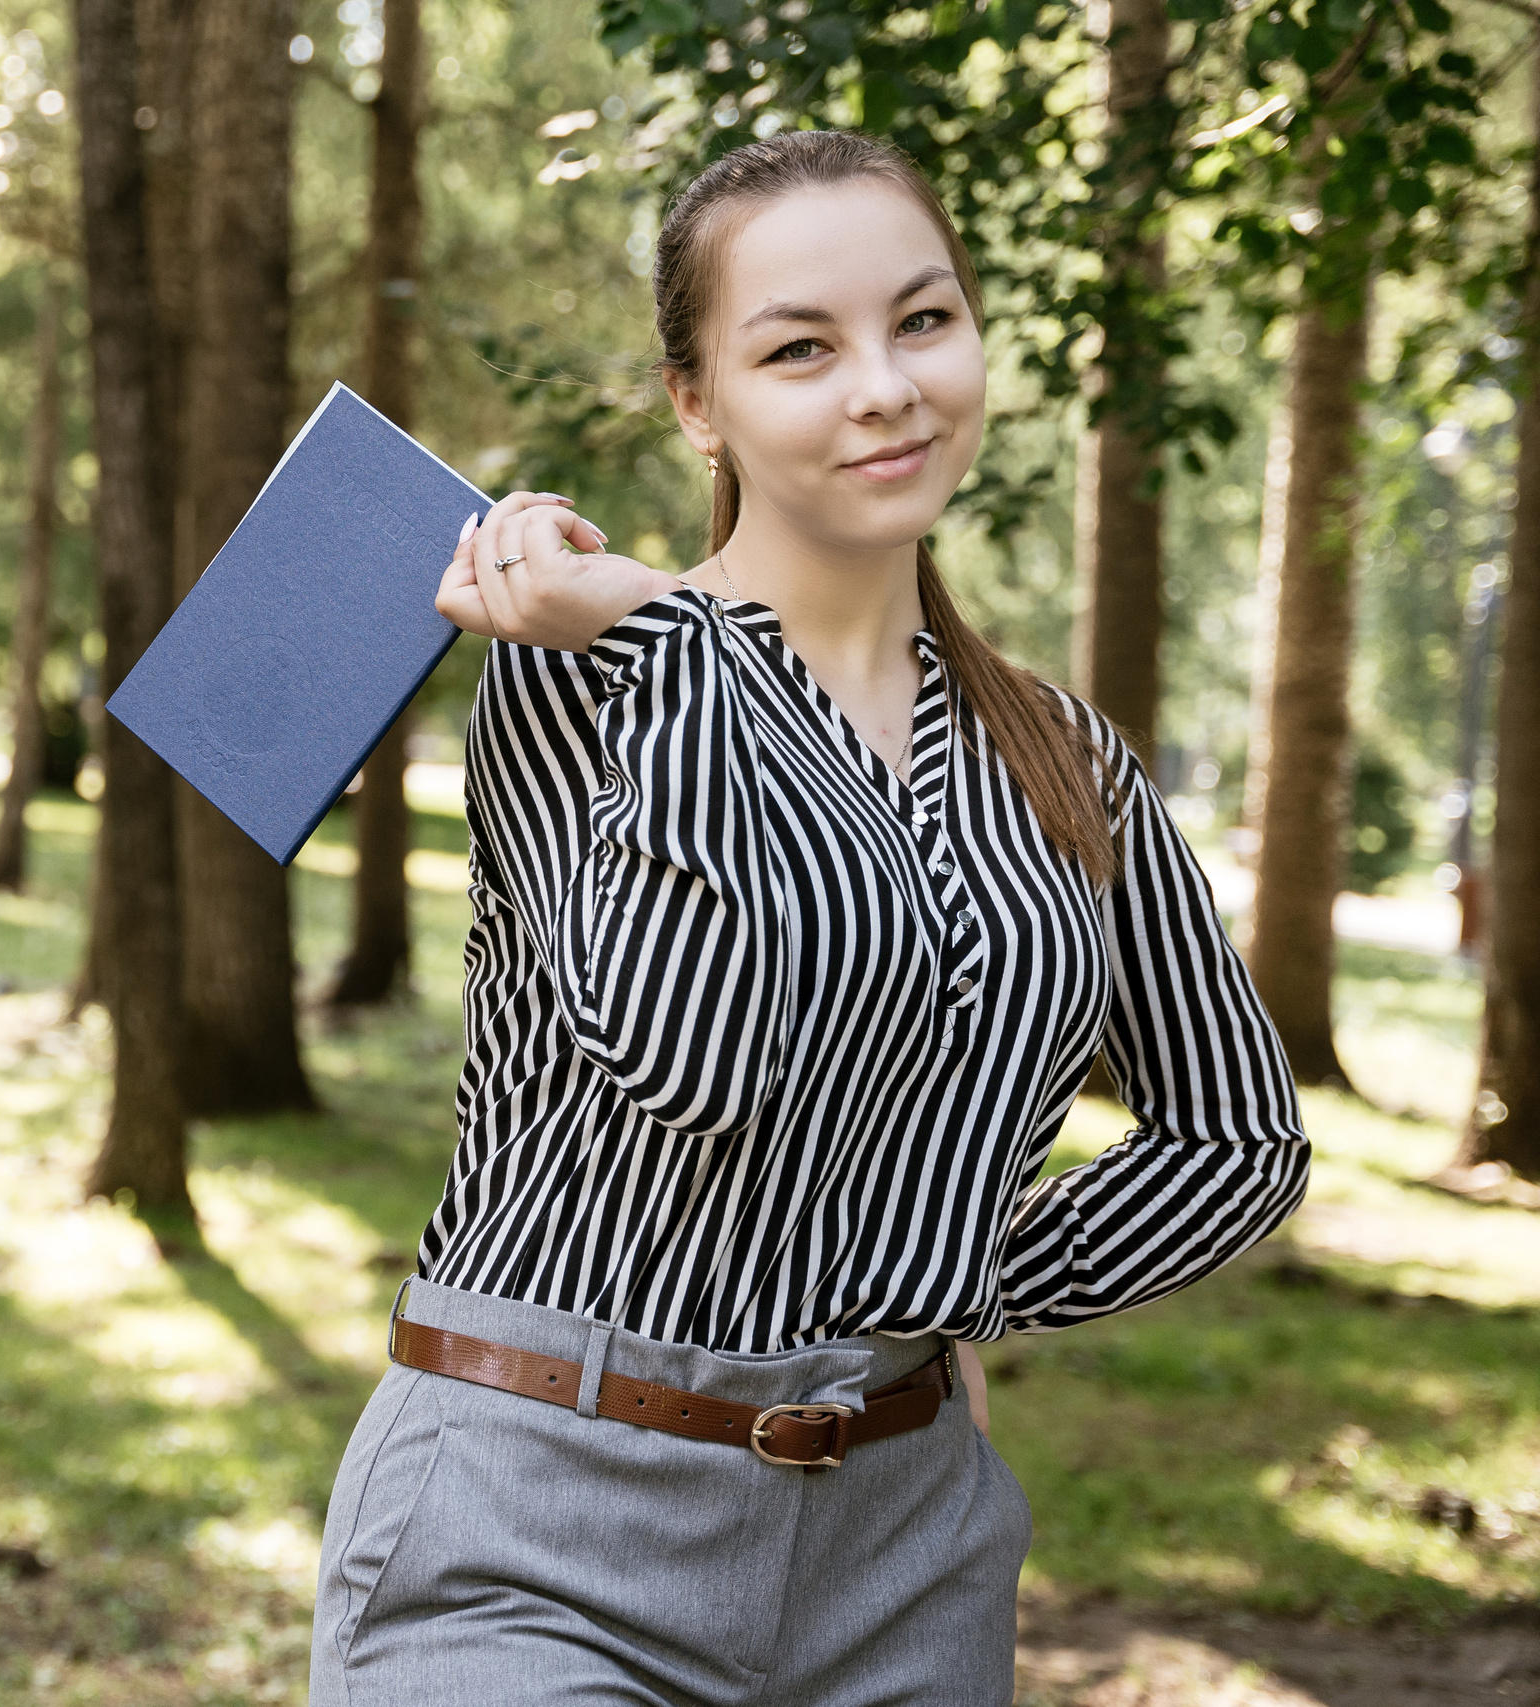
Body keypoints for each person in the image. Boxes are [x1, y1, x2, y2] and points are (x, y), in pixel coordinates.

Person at [308, 130, 1310, 1707]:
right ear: (697, 403)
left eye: (924, 321)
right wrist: (678, 635)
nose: (886, 388)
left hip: (904, 1560)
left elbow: (1239, 1142)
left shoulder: (1063, 757)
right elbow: (693, 1063)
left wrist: (957, 1275)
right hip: (537, 1520)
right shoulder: (585, 675)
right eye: (800, 349)